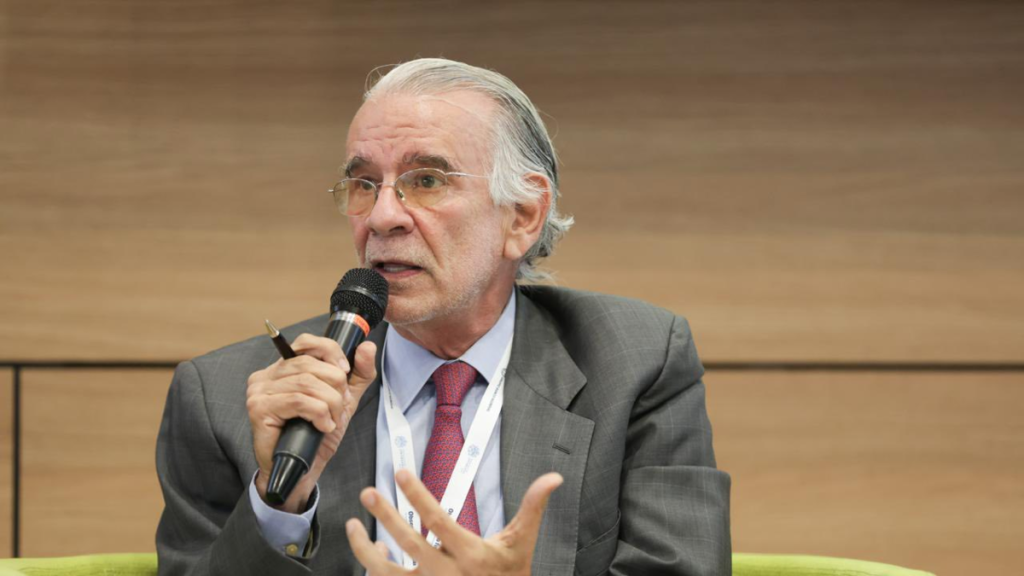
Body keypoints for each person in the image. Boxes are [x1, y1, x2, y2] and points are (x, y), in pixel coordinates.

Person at [156, 58, 731, 576]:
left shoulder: (633, 363)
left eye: (426, 181)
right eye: (363, 183)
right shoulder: (226, 398)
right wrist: (280, 499)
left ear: (523, 216)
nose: (382, 217)